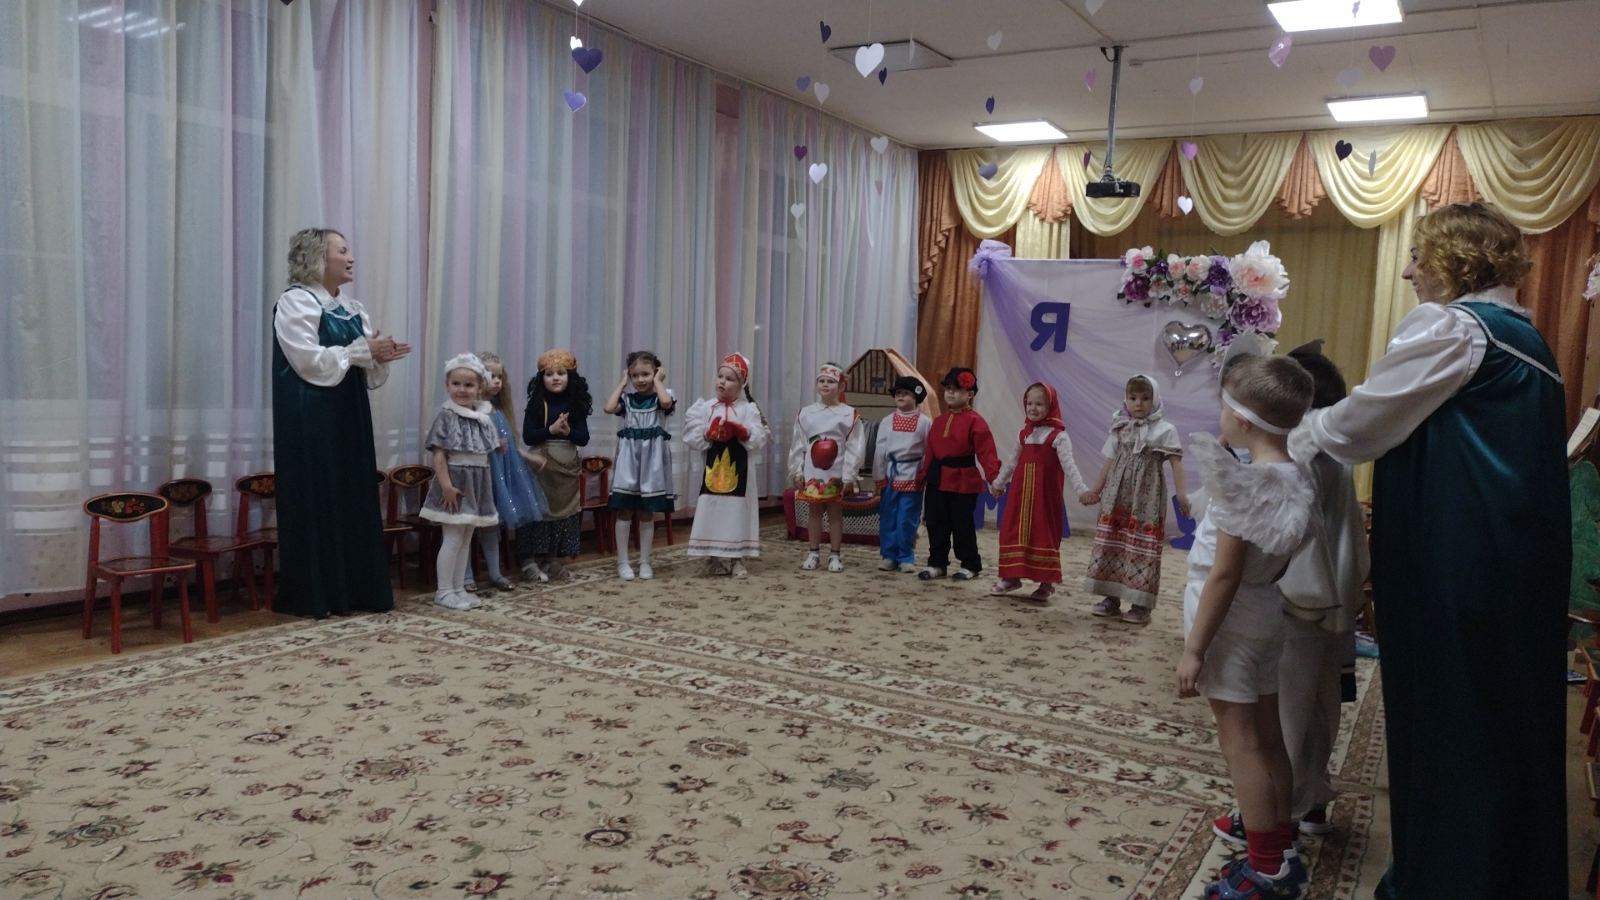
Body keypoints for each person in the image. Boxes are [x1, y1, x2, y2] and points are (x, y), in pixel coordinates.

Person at [1303, 202, 1570, 899]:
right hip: (1512, 564)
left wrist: (1286, 433)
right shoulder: (1528, 340)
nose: (1408, 272)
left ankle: (1446, 876)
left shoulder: (1453, 327)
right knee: (1501, 719)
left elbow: (1360, 425)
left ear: (1456, 258)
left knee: (1447, 718)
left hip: (1456, 560)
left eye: (1418, 256)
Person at [1212, 341, 1370, 847]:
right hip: (1336, 588)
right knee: (1323, 699)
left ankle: (1279, 813)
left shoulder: (1295, 449)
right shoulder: (1333, 447)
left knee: (1288, 711)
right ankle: (1312, 799)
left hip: (1298, 593)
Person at [1176, 354, 1316, 899]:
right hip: (1263, 614)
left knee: (1240, 742)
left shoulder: (1245, 485)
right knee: (1268, 734)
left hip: (1229, 621)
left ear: (1242, 420)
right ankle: (1281, 844)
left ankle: (1267, 869)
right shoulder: (1294, 475)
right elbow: (1272, 564)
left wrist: (1195, 648)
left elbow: (1224, 574)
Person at [270, 227, 409, 619]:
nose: (351, 258)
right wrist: (362, 350)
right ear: (317, 256)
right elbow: (307, 361)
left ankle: (356, 589)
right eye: (342, 251)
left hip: (349, 413)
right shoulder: (296, 302)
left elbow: (361, 365)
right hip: (310, 417)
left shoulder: (352, 308)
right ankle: (318, 593)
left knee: (351, 492)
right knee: (319, 495)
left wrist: (378, 355)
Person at [1084, 374, 1191, 626]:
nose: (1138, 403)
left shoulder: (1165, 430)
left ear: (1156, 399)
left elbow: (1177, 464)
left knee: (1141, 543)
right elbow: (1110, 460)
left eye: (1145, 398)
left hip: (1147, 494)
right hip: (1118, 493)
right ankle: (1111, 597)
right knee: (1115, 541)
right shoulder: (1121, 425)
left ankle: (1141, 604)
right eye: (1132, 398)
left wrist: (1182, 494)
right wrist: (1096, 489)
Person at [990, 383, 1093, 602]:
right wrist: (998, 483)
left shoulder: (1059, 437)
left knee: (1043, 534)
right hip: (1019, 496)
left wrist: (1082, 490)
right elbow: (1012, 462)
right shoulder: (1023, 434)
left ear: (1051, 406)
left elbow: (1069, 466)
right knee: (1013, 531)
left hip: (1044, 499)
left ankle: (1046, 583)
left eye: (1039, 404)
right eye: (1029, 403)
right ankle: (1011, 577)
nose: (1033, 408)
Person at [419, 354, 502, 611]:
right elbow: (439, 454)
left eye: (468, 385)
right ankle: (443, 591)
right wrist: (446, 486)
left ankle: (458, 588)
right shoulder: (447, 415)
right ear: (447, 385)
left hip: (477, 483)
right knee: (453, 538)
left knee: (466, 538)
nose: (462, 390)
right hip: (455, 483)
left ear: (479, 388)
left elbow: (486, 450)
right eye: (456, 384)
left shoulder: (482, 417)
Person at [468, 351, 550, 589]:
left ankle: (495, 573)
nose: (496, 382)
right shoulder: (472, 411)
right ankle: (465, 576)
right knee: (468, 524)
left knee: (491, 523)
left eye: (499, 377)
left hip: (499, 474)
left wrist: (528, 456)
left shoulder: (497, 411)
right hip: (477, 474)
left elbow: (510, 445)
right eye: (491, 376)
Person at [684, 353, 770, 576]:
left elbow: (759, 439)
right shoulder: (706, 408)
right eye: (720, 376)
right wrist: (707, 433)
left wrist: (742, 432)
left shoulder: (748, 409)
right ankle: (713, 556)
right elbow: (692, 438)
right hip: (712, 471)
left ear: (741, 385)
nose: (722, 381)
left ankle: (736, 558)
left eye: (729, 379)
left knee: (736, 511)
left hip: (740, 473)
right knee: (713, 508)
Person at [916, 368, 1001, 582]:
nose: (950, 393)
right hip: (937, 479)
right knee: (935, 523)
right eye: (948, 389)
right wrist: (922, 476)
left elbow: (987, 453)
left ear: (969, 394)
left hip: (963, 480)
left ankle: (970, 564)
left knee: (962, 524)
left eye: (956, 389)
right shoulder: (938, 422)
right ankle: (937, 563)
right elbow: (930, 453)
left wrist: (994, 478)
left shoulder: (976, 421)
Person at [603, 351, 676, 581]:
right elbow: (608, 407)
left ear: (656, 372)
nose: (640, 379)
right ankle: (622, 561)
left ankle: (645, 561)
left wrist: (658, 381)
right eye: (635, 375)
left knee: (646, 511)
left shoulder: (663, 396)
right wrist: (622, 383)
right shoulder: (627, 400)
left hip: (652, 463)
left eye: (646, 374)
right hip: (629, 461)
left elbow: (666, 403)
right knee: (624, 509)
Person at [520, 349, 592, 580]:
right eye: (549, 374)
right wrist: (551, 429)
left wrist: (569, 431)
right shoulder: (536, 404)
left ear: (570, 376)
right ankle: (529, 561)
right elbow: (528, 437)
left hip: (567, 467)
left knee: (562, 514)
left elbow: (583, 438)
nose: (555, 378)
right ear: (541, 378)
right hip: (542, 466)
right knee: (539, 511)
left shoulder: (576, 405)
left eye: (561, 373)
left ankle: (551, 559)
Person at [788, 362, 866, 572]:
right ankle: (813, 552)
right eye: (821, 381)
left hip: (836, 473)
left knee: (835, 514)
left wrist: (849, 475)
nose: (825, 384)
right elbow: (798, 443)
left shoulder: (849, 414)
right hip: (813, 472)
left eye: (830, 381)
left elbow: (855, 446)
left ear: (841, 387)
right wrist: (797, 469)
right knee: (814, 512)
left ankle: (835, 554)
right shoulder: (806, 413)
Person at [872, 376, 932, 574]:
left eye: (905, 393)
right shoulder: (887, 421)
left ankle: (906, 556)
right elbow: (880, 449)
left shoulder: (925, 423)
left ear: (916, 397)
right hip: (890, 474)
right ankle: (888, 555)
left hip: (912, 474)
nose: (901, 396)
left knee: (907, 518)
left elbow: (928, 450)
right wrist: (879, 475)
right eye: (898, 393)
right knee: (888, 517)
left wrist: (924, 474)